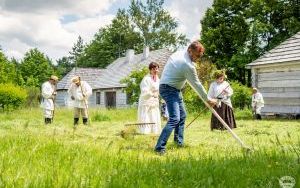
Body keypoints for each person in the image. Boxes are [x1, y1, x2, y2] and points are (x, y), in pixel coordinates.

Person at [154, 41, 216, 154]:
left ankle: (178, 142)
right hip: (168, 89)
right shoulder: (187, 64)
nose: (197, 59)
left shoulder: (180, 53)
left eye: (200, 57)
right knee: (174, 118)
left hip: (174, 89)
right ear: (189, 50)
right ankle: (159, 147)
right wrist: (207, 99)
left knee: (182, 115)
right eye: (197, 56)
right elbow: (197, 84)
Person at [137, 62, 161, 134]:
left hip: (154, 101)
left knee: (154, 114)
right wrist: (152, 94)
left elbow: (159, 89)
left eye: (157, 69)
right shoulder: (146, 79)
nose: (156, 70)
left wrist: (157, 93)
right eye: (154, 69)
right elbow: (144, 90)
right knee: (146, 116)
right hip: (146, 101)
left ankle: (154, 130)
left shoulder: (157, 79)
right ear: (150, 70)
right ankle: (145, 131)